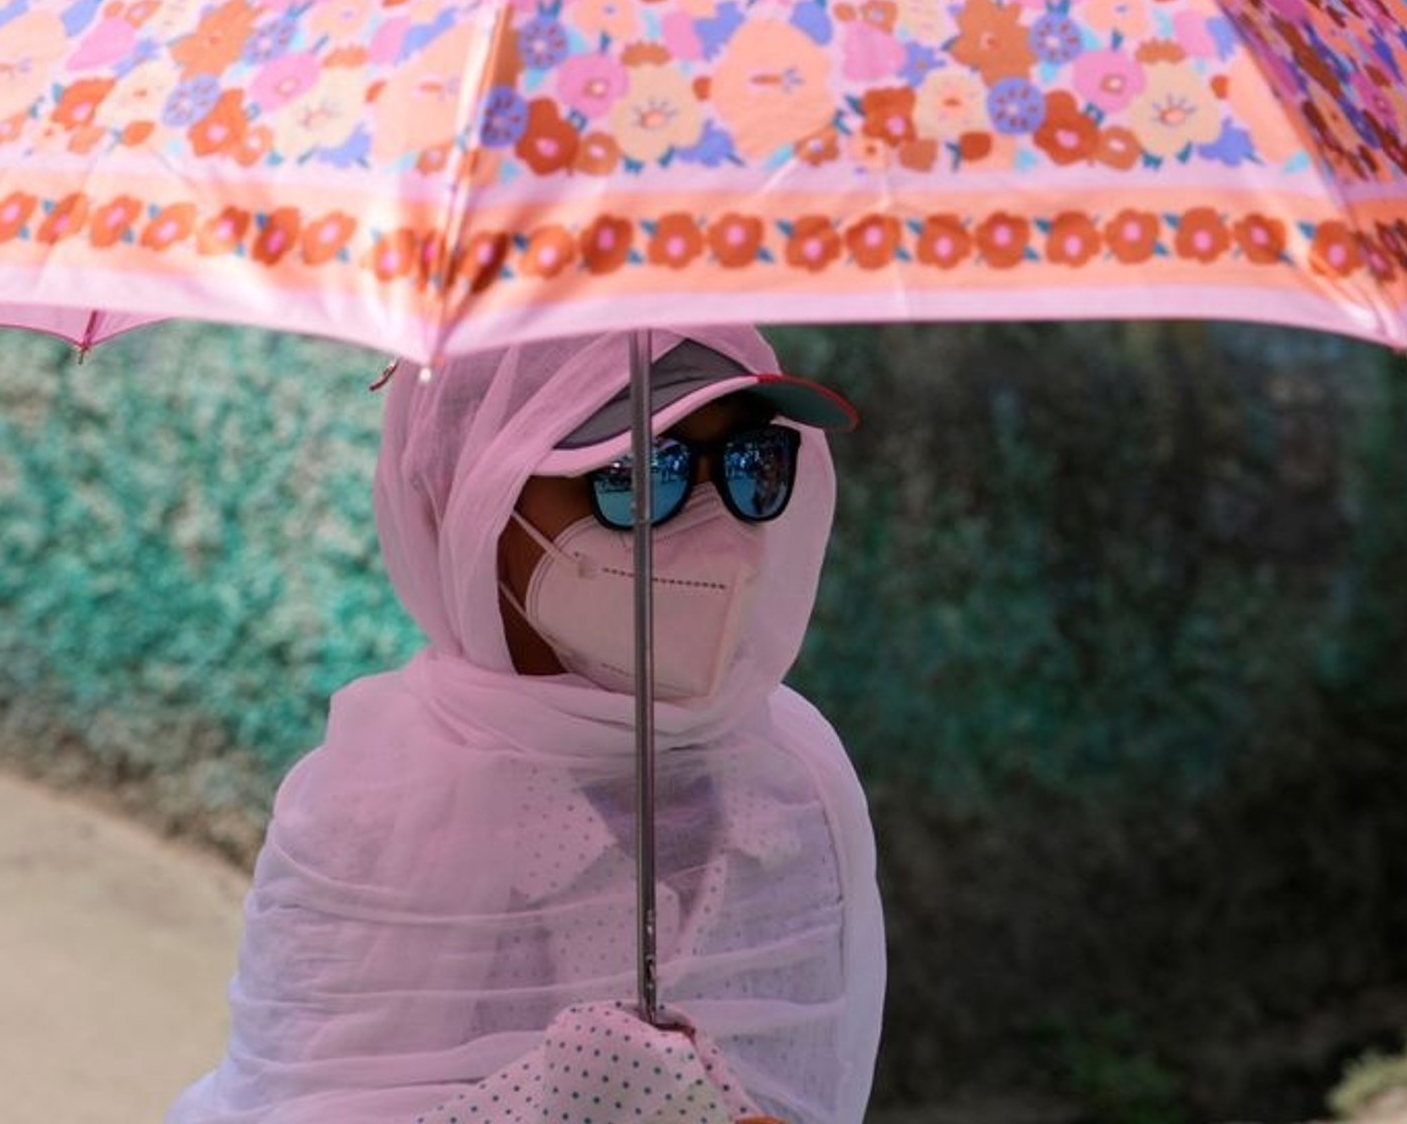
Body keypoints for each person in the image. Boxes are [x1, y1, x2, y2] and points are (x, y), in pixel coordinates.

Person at [168, 327, 886, 1124]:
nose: (721, 534)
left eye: (754, 466)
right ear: (473, 492)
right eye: (636, 474)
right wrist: (553, 1099)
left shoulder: (795, 774)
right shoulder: (378, 809)